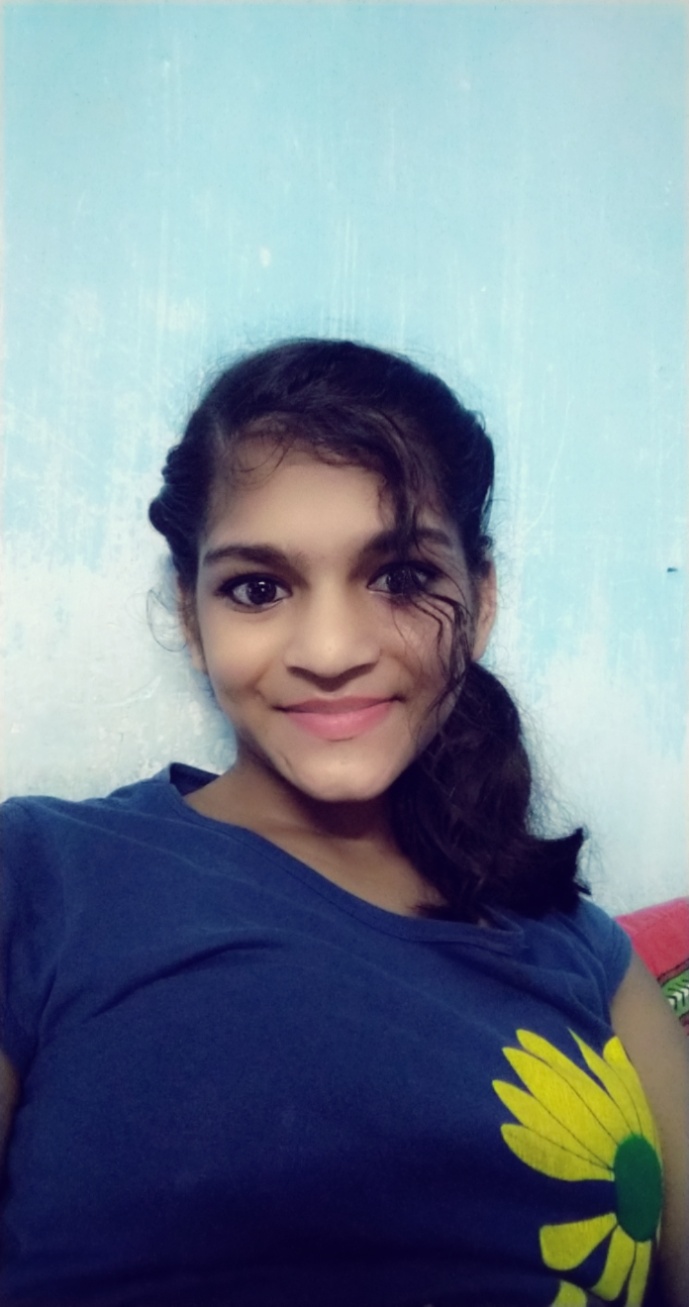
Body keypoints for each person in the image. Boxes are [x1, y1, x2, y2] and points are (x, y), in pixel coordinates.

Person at [1, 339, 687, 1307]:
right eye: (257, 587)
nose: (329, 650)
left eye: (400, 577)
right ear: (191, 617)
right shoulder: (40, 871)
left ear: (481, 601)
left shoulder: (580, 949)